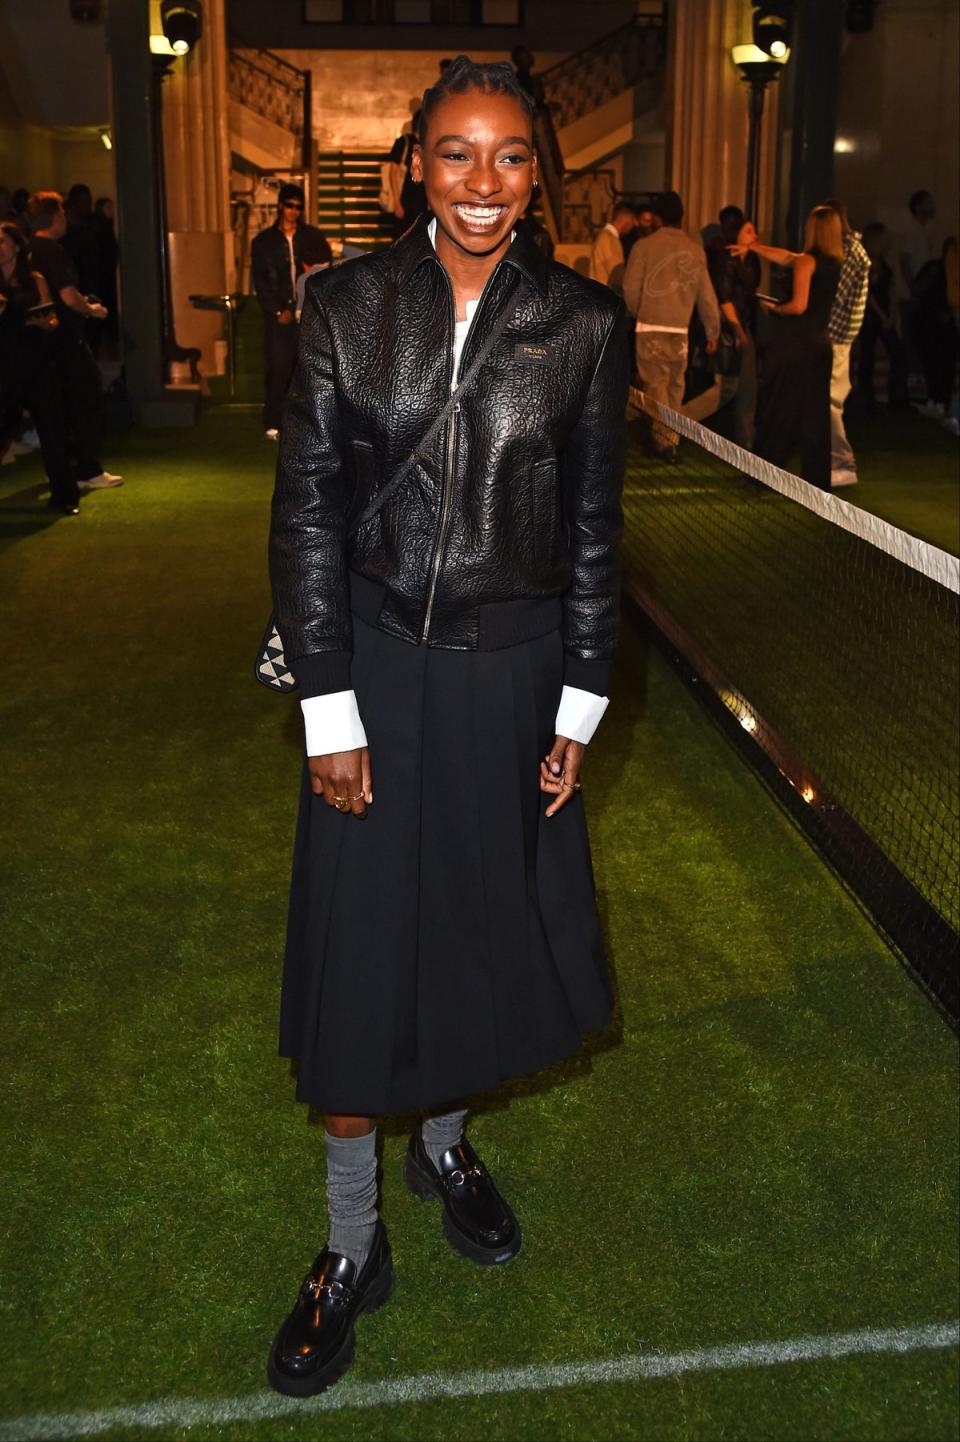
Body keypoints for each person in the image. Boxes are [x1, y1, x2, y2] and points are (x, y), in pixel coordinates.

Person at [266, 54, 627, 1398]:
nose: (484, 183)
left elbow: (596, 534)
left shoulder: (583, 323)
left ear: (541, 171)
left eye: (511, 156)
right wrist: (328, 710)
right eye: (457, 154)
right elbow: (305, 512)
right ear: (413, 163)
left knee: (480, 937)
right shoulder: (346, 306)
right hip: (375, 670)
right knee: (362, 963)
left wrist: (579, 703)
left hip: (518, 671)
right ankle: (350, 1246)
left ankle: (448, 1142)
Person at [26, 191, 122, 492]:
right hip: (67, 338)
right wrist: (93, 310)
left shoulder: (29, 248)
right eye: (63, 214)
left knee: (58, 407)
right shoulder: (53, 251)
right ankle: (86, 469)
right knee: (85, 400)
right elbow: (69, 297)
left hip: (43, 340)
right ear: (56, 217)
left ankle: (64, 469)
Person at [747, 205, 844, 490]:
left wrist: (776, 308)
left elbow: (798, 305)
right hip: (820, 346)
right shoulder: (833, 262)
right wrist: (755, 247)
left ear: (814, 228)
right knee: (815, 416)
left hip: (794, 346)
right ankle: (817, 481)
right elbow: (789, 257)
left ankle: (763, 476)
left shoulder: (808, 262)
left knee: (779, 409)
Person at [622, 189, 720, 459]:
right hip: (680, 330)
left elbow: (630, 289)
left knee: (655, 386)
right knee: (675, 387)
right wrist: (713, 330)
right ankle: (670, 440)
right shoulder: (694, 250)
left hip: (650, 328)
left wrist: (637, 311)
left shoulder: (643, 246)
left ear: (656, 217)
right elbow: (706, 294)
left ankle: (663, 441)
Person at [0, 220, 80, 513]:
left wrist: (42, 322)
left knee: (52, 429)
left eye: (2, 242)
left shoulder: (35, 279)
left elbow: (52, 320)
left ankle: (65, 496)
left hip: (36, 363)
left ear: (16, 246)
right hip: (4, 364)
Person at [250, 183, 332, 440]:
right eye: (289, 206)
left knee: (309, 369)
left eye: (298, 207)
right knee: (279, 367)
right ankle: (273, 421)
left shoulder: (312, 237)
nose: (293, 211)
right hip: (279, 315)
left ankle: (307, 425)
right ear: (280, 206)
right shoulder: (263, 241)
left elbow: (324, 270)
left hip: (307, 312)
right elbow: (261, 280)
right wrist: (276, 311)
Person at [686, 206, 760, 450]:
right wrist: (738, 331)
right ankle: (676, 420)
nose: (754, 235)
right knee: (731, 387)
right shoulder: (726, 258)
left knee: (732, 388)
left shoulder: (750, 257)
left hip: (743, 326)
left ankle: (676, 421)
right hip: (732, 330)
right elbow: (724, 297)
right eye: (749, 231)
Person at [857, 222, 910, 414]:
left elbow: (890, 289)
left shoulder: (883, 261)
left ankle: (894, 397)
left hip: (883, 312)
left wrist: (891, 314)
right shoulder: (867, 262)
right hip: (872, 315)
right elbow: (868, 293)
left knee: (895, 353)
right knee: (868, 356)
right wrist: (883, 315)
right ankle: (867, 398)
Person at [912, 237, 960, 427]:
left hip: (940, 325)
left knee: (944, 365)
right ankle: (937, 400)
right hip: (932, 323)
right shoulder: (936, 269)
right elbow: (920, 289)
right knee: (936, 364)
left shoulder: (942, 270)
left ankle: (941, 402)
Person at [588, 201, 636, 290]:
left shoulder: (604, 236)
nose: (634, 225)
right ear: (628, 219)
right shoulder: (610, 239)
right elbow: (617, 275)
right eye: (633, 221)